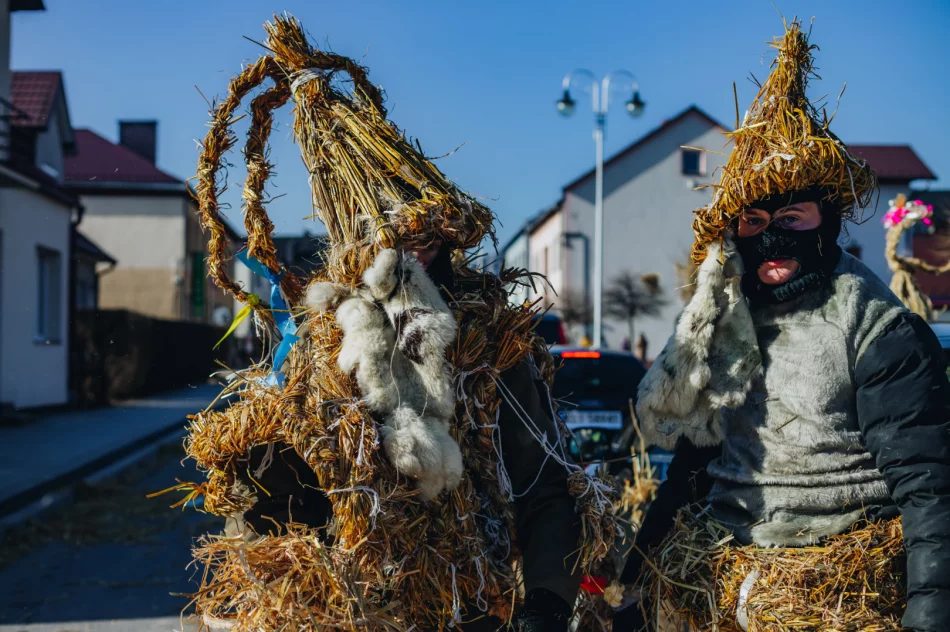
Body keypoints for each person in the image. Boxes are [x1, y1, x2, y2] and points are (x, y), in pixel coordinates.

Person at [613, 18, 949, 632]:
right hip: (725, 573)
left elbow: (928, 487)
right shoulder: (728, 318)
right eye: (754, 222)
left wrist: (930, 613)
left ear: (825, 221)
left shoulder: (875, 326)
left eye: (791, 218)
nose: (771, 239)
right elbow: (696, 461)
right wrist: (633, 568)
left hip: (835, 580)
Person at [226, 237, 583, 632]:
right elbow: (277, 488)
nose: (412, 242)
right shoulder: (319, 340)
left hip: (469, 605)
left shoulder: (488, 340)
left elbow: (541, 481)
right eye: (394, 228)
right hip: (354, 608)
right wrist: (282, 578)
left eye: (426, 233)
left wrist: (548, 602)